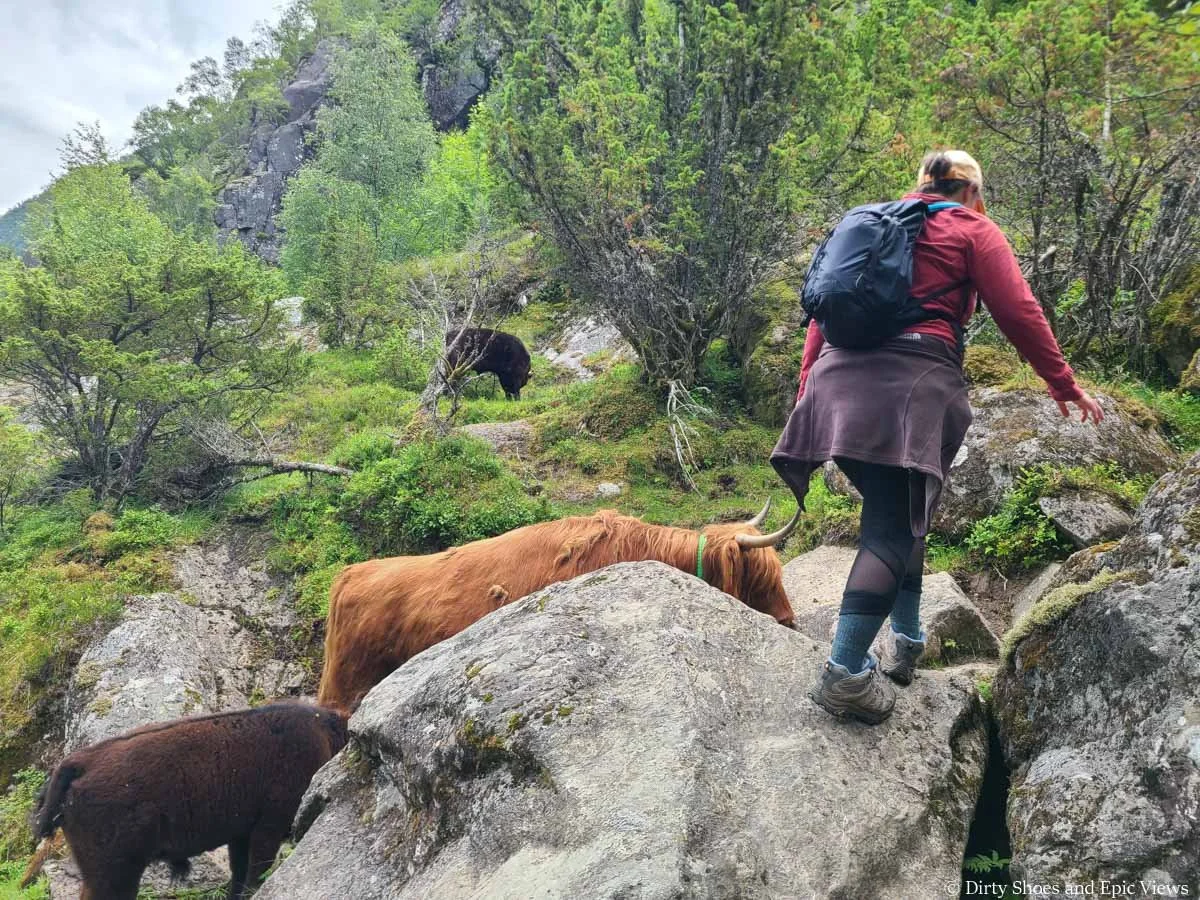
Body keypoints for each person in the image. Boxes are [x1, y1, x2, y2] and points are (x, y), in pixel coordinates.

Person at [770, 149, 1104, 725]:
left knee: (902, 509)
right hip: (912, 387)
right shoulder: (971, 228)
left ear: (918, 185)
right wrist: (1062, 383)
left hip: (836, 386)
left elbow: (823, 309)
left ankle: (907, 637)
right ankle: (846, 674)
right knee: (892, 527)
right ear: (973, 192)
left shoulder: (871, 222)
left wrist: (808, 382)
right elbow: (1018, 310)